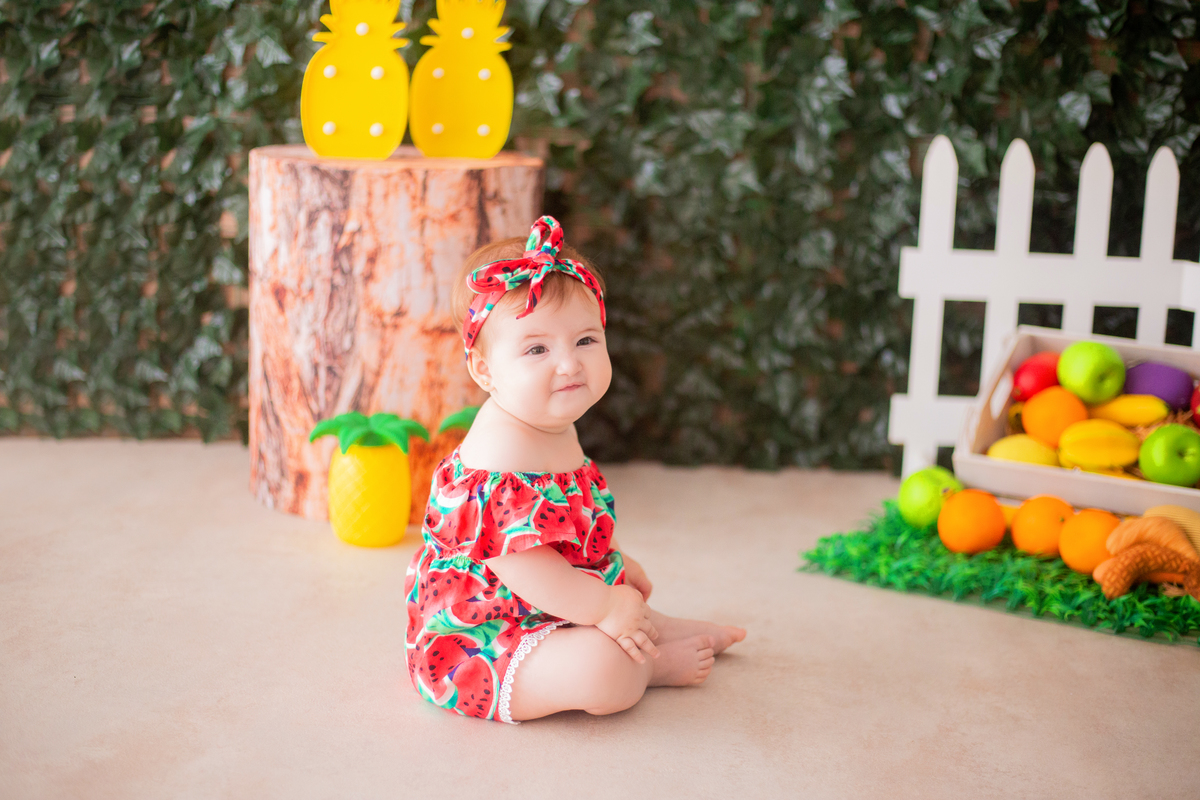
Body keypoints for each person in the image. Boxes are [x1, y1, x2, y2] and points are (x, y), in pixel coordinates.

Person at [405, 216, 745, 723]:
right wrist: (605, 608)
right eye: (537, 349)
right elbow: (525, 565)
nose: (569, 364)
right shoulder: (499, 456)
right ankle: (645, 665)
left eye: (585, 341)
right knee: (603, 669)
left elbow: (563, 529)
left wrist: (613, 564)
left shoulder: (547, 420)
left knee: (623, 602)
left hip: (549, 603)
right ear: (484, 370)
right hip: (486, 640)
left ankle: (647, 629)